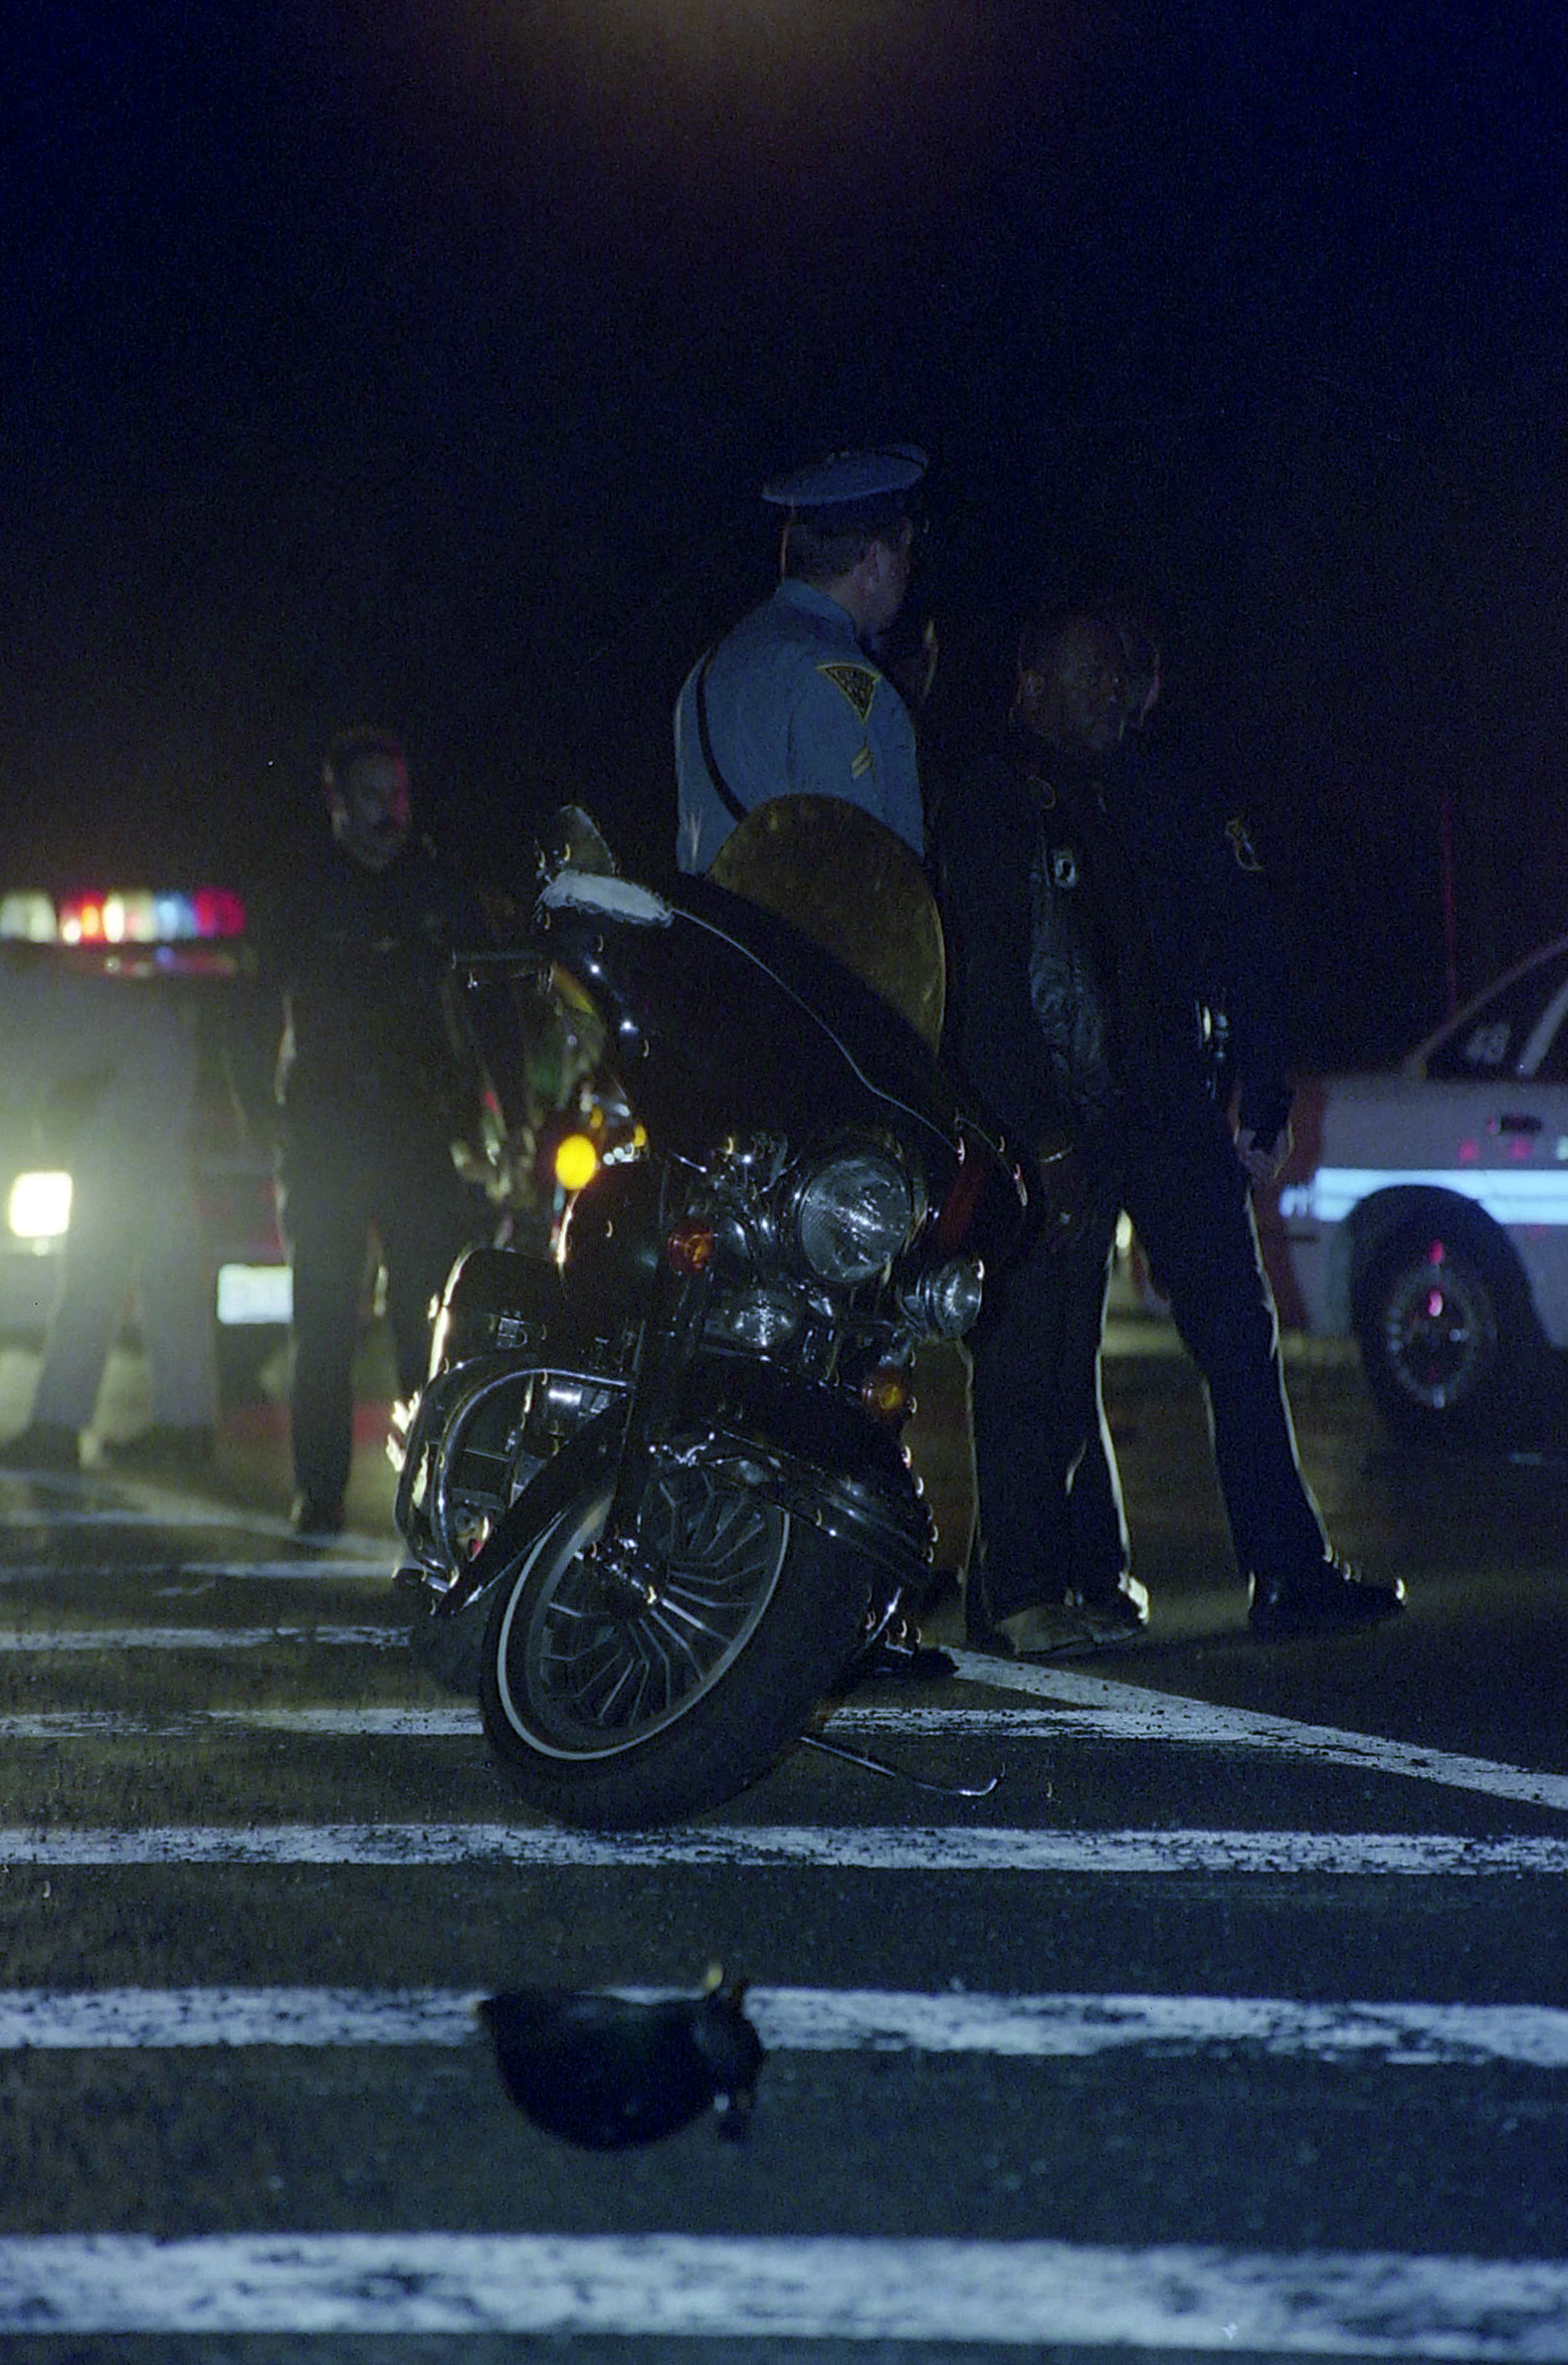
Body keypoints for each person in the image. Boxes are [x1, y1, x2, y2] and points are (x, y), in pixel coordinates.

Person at [939, 608, 1405, 1650]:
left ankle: (1273, 1566)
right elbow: (999, 986)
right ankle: (1072, 1578)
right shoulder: (1012, 796)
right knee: (1055, 1353)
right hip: (1078, 1110)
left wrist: (1260, 1086)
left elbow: (1244, 944)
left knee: (1230, 1334)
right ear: (1033, 683)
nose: (1111, 696)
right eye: (1090, 677)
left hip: (1163, 1103)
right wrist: (1037, 1128)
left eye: (1118, 678)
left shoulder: (1148, 787)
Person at [265, 727, 488, 1537]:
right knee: (323, 1317)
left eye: (399, 793)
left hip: (413, 1126)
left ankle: (430, 1495)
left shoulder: (435, 885)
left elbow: (487, 997)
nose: (391, 811)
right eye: (372, 795)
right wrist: (262, 1112)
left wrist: (502, 1110)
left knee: (427, 1319)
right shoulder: (303, 888)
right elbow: (253, 1005)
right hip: (325, 1129)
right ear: (335, 799)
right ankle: (319, 1492)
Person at [0, 956, 217, 1476]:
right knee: (165, 1259)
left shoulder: (14, 1005)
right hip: (152, 1058)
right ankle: (186, 1425)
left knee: (96, 1259)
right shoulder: (21, 990)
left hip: (133, 1078)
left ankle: (58, 1424)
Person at [675, 445, 928, 876]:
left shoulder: (709, 667)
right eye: (905, 550)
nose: (908, 570)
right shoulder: (842, 680)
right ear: (874, 561)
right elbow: (866, 881)